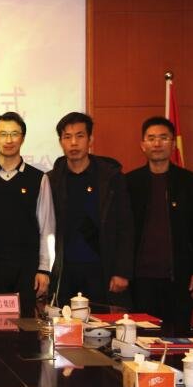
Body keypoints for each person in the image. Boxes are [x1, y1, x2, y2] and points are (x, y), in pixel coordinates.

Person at [0, 111, 55, 314]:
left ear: (22, 137)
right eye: (2, 134)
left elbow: (47, 227)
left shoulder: (38, 179)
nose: (9, 140)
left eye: (14, 134)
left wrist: (44, 269)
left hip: (28, 270)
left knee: (27, 326)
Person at [126, 117, 193, 332]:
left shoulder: (191, 182)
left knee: (178, 339)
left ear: (173, 144)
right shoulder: (130, 182)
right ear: (142, 145)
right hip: (140, 279)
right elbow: (122, 232)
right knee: (142, 340)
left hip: (179, 279)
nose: (157, 143)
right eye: (151, 138)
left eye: (163, 138)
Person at [47, 112, 133, 307]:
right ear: (60, 142)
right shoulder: (52, 180)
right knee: (65, 324)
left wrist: (122, 271)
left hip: (101, 269)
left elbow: (125, 226)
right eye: (67, 137)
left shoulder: (110, 178)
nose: (74, 143)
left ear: (90, 140)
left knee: (100, 324)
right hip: (64, 270)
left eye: (80, 136)